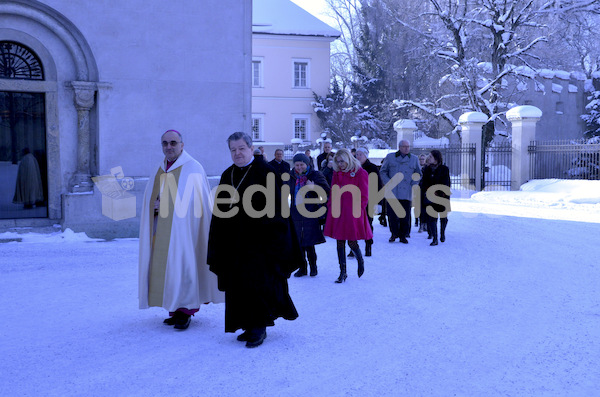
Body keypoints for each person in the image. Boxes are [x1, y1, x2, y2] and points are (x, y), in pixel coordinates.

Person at [208, 132, 302, 348]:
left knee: (258, 283)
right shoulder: (227, 175)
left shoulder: (266, 173)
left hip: (260, 243)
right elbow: (219, 211)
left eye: (241, 148)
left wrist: (270, 238)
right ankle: (246, 324)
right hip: (234, 243)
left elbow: (278, 209)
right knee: (238, 285)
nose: (237, 153)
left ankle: (259, 327)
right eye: (233, 150)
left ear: (251, 149)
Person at [139, 129, 223, 330]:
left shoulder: (193, 168)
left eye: (173, 143)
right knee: (168, 268)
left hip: (187, 232)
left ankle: (185, 311)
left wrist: (166, 205)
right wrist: (154, 206)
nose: (169, 147)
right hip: (163, 231)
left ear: (182, 145)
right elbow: (151, 199)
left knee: (184, 267)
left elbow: (197, 203)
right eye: (165, 143)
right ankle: (174, 309)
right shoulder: (159, 169)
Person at [324, 148, 373, 283]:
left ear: (348, 160)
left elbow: (364, 195)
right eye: (338, 161)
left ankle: (360, 260)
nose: (340, 164)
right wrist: (330, 206)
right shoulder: (336, 173)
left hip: (353, 211)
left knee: (351, 240)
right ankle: (343, 272)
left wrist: (359, 209)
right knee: (339, 241)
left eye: (342, 161)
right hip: (338, 211)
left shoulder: (360, 173)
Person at [288, 153, 330, 277]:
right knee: (298, 243)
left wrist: (313, 187)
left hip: (311, 211)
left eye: (302, 164)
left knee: (309, 242)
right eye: (297, 165)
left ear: (307, 164)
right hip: (295, 212)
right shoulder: (290, 176)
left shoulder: (315, 175)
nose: (299, 167)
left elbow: (326, 191)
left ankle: (313, 267)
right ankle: (302, 268)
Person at [380, 139, 422, 244]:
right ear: (399, 147)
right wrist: (389, 182)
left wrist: (413, 183)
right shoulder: (390, 157)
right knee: (392, 215)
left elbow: (418, 173)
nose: (407, 148)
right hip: (392, 191)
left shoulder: (414, 159)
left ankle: (403, 235)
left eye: (408, 146)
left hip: (406, 190)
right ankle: (394, 234)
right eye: (404, 146)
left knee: (405, 215)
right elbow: (383, 171)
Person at [352, 147, 382, 257]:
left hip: (369, 199)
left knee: (367, 223)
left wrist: (379, 202)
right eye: (357, 154)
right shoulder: (352, 167)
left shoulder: (372, 168)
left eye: (361, 154)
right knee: (354, 224)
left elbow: (378, 184)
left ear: (366, 156)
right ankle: (353, 248)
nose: (358, 156)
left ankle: (368, 245)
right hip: (354, 200)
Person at [421, 150, 451, 246]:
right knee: (431, 218)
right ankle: (434, 238)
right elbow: (424, 182)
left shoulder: (444, 169)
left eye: (430, 156)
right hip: (430, 196)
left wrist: (440, 192)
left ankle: (442, 233)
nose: (428, 158)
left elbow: (446, 182)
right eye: (428, 156)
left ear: (436, 158)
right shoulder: (427, 169)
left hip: (442, 196)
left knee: (443, 217)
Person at [417, 154, 428, 233]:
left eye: (423, 159)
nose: (422, 160)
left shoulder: (427, 168)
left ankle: (425, 224)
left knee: (426, 208)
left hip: (426, 190)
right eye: (420, 159)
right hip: (418, 190)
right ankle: (421, 223)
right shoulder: (417, 168)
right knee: (420, 208)